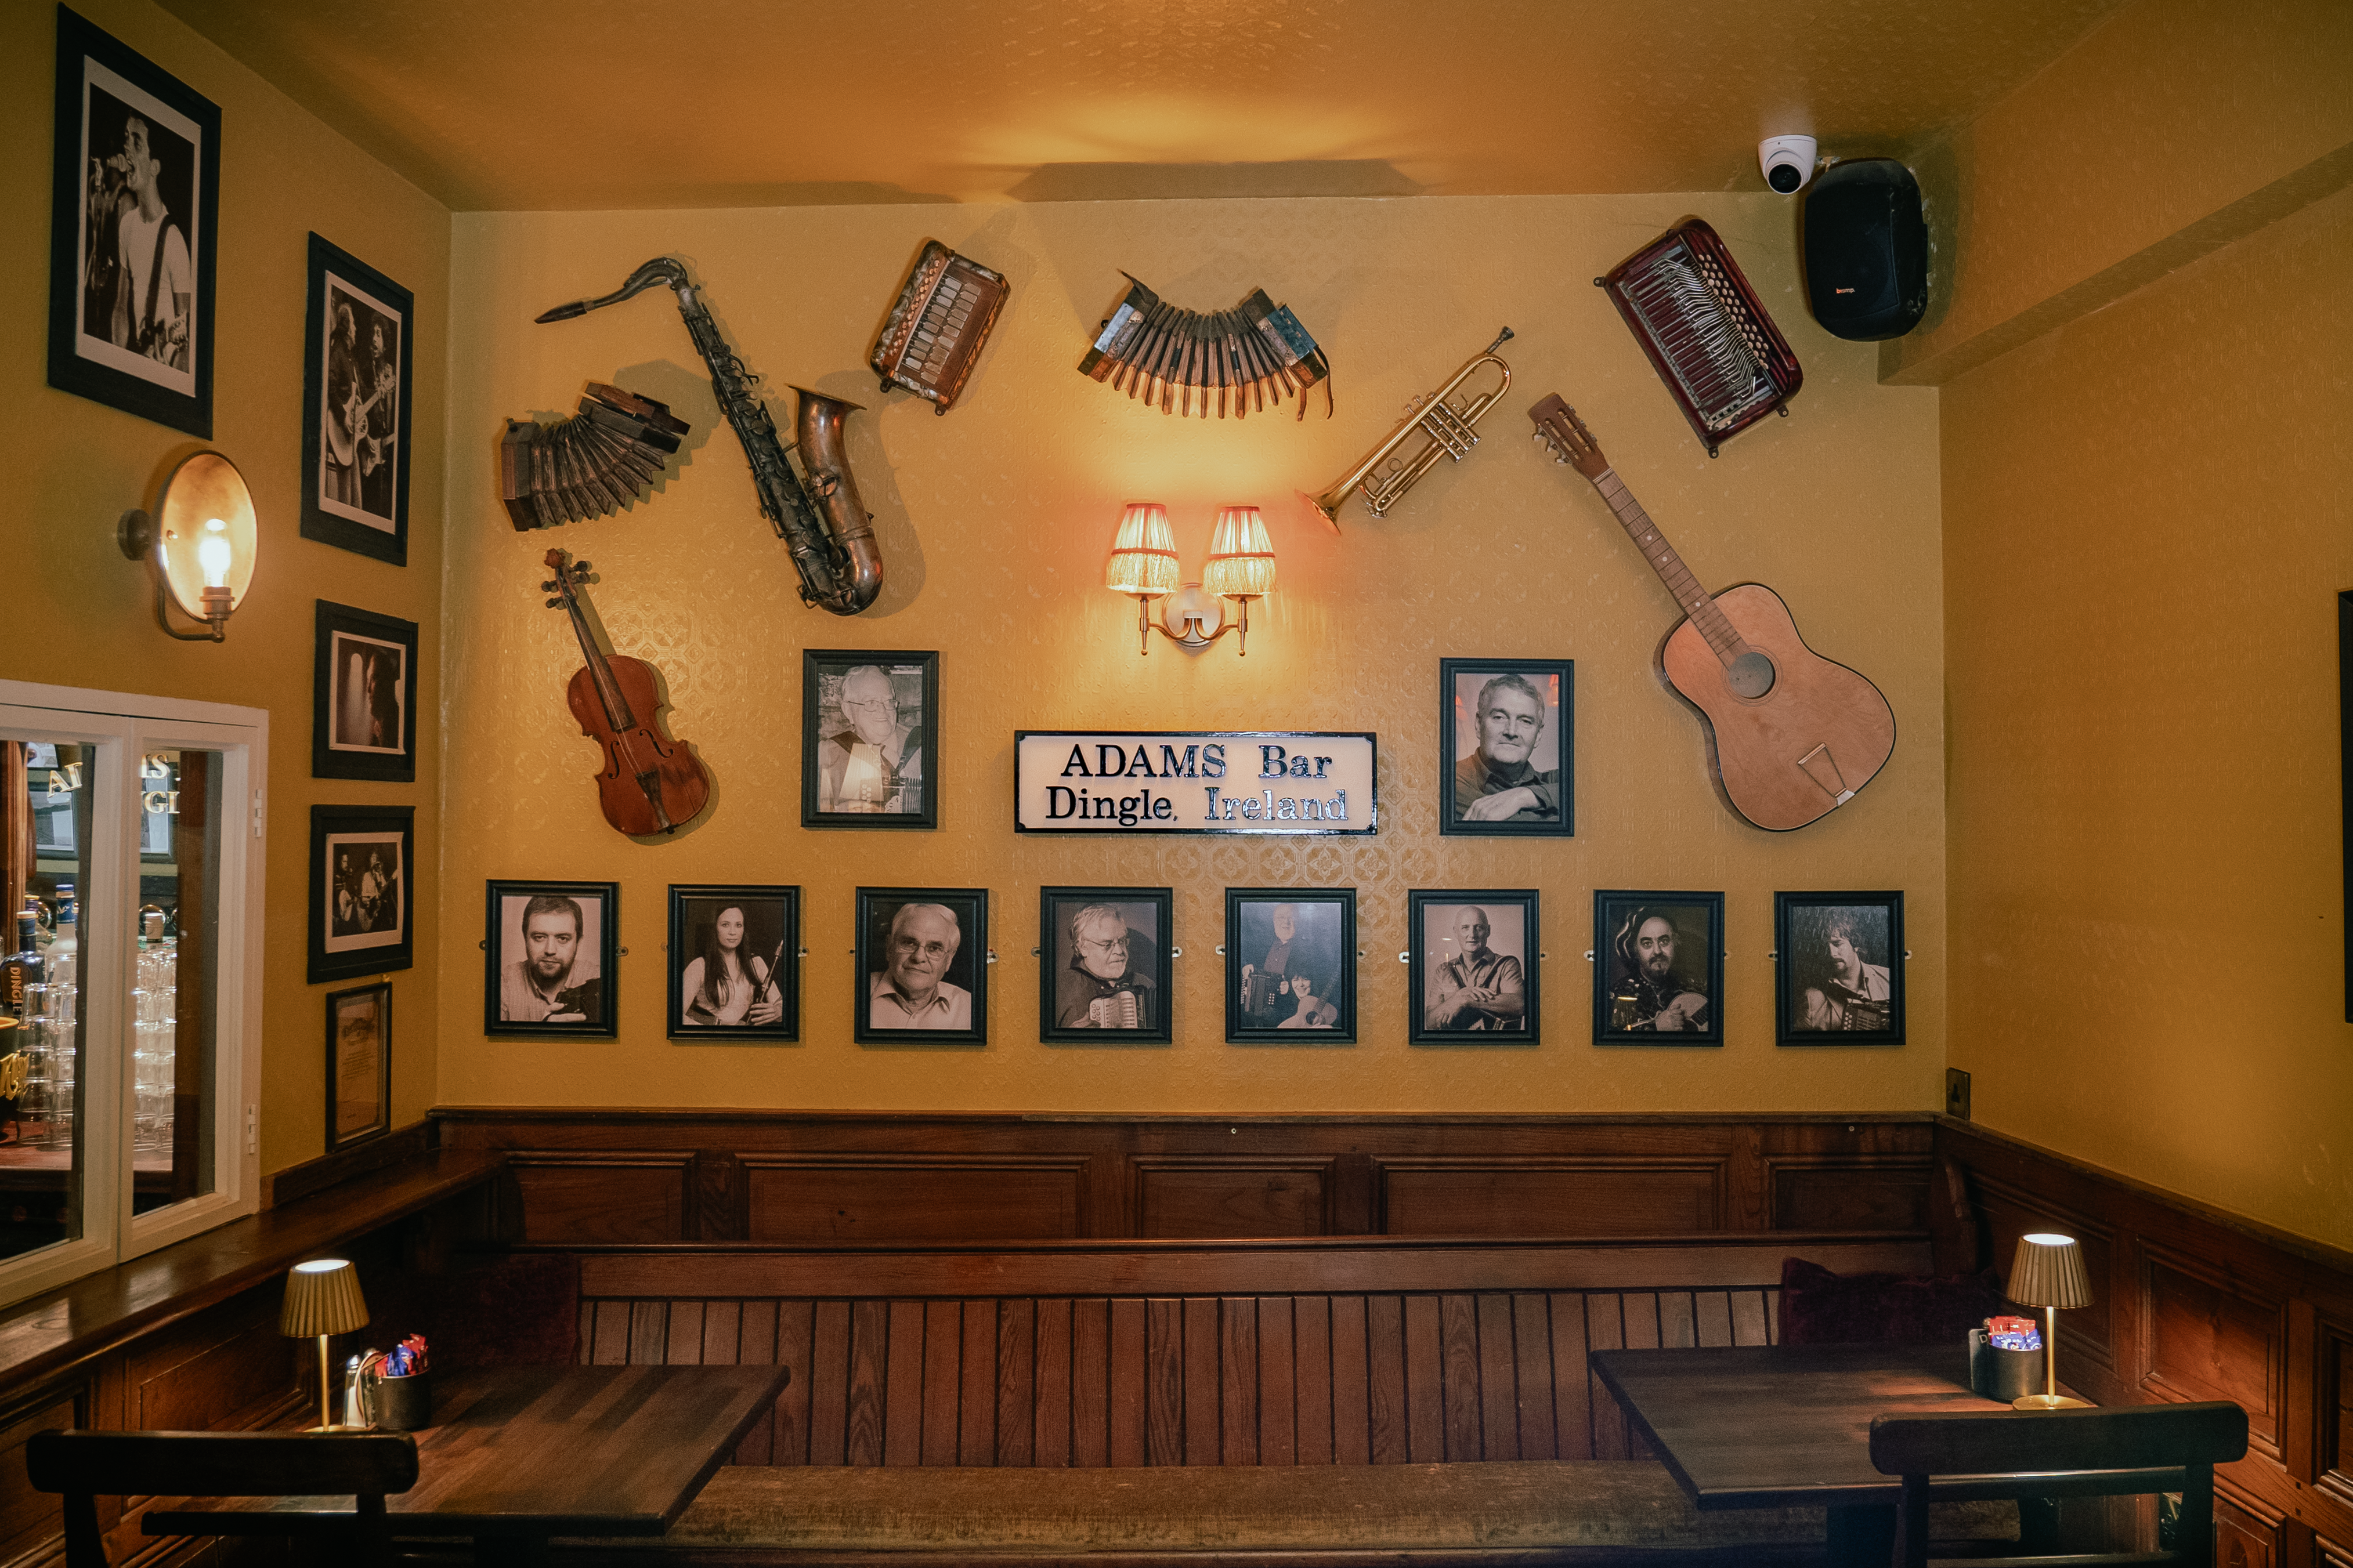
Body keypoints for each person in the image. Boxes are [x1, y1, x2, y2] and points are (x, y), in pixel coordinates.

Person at [88, 115, 190, 369]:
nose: (127, 149)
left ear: (154, 167)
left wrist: (166, 370)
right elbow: (121, 307)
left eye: (137, 143)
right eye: (126, 139)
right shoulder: (128, 225)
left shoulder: (174, 241)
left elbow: (187, 344)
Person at [1454, 674, 1562, 824]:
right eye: (1499, 717)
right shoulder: (1451, 780)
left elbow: (1593, 788)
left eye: (1525, 721)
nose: (1511, 732)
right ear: (1479, 725)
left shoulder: (1549, 781)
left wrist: (1523, 796)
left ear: (1538, 735)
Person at [818, 667, 922, 814]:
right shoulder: (827, 755)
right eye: (871, 703)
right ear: (848, 711)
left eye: (889, 701)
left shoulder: (922, 747)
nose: (883, 711)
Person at [500, 894, 599, 1023]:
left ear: (578, 943)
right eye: (539, 937)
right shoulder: (505, 984)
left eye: (563, 939)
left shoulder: (600, 979)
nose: (550, 950)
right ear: (525, 939)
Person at [869, 902, 969, 1029]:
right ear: (889, 948)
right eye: (909, 943)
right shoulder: (854, 993)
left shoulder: (969, 1006)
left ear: (949, 959)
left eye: (934, 948)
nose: (919, 957)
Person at [1424, 906, 1526, 1031]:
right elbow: (1430, 1022)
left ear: (1488, 931)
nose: (1472, 935)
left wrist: (1466, 999)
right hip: (1452, 1048)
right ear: (1456, 932)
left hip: (1497, 1048)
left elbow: (1519, 1004)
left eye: (1479, 928)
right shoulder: (1443, 970)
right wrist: (1458, 997)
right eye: (1465, 928)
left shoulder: (1507, 965)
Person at [679, 904, 783, 1028]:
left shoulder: (756, 963)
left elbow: (779, 1003)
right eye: (725, 925)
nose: (733, 932)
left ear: (744, 929)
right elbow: (675, 1015)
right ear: (715, 928)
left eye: (738, 925)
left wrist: (778, 1011)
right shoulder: (699, 966)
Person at [1607, 908, 1709, 1031]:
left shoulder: (1697, 985)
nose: (1657, 951)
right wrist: (1656, 1027)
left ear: (1676, 943)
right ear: (1636, 950)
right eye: (1647, 944)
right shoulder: (1620, 994)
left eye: (1664, 941)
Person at [1054, 904, 1154, 1029]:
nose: (1120, 951)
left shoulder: (1146, 984)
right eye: (1107, 944)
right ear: (1083, 947)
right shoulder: (1059, 987)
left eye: (1122, 941)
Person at [1798, 911, 1892, 1031]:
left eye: (1837, 944)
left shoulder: (1889, 978)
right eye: (1824, 947)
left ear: (1856, 944)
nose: (1832, 954)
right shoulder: (1812, 999)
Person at [1238, 903, 1299, 1029]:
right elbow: (1238, 956)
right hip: (1251, 1011)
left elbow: (1314, 982)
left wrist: (1291, 990)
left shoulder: (1307, 950)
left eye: (1291, 918)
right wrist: (1245, 966)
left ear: (1299, 921)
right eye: (1281, 918)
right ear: (1274, 920)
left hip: (1285, 1015)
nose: (1286, 922)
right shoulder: (1261, 942)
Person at [359, 318, 399, 517]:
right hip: (368, 448)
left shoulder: (392, 373)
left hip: (386, 451)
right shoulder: (366, 371)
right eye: (373, 334)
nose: (375, 340)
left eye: (379, 334)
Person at [1274, 959, 1339, 1029]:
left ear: (1313, 982)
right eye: (1296, 980)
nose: (1301, 984)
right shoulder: (1285, 1009)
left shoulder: (1327, 1007)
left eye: (1305, 979)